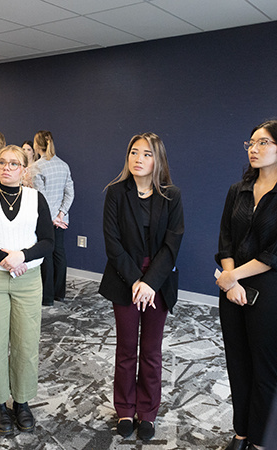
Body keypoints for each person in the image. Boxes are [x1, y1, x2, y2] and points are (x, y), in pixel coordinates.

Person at [215, 119, 277, 450]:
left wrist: (232, 276)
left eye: (263, 143)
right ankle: (241, 433)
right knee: (238, 366)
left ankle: (262, 440)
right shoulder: (237, 190)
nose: (254, 148)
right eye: (251, 143)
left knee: (264, 370)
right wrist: (229, 280)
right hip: (232, 291)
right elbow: (225, 240)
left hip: (270, 294)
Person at [99, 133, 184, 442]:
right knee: (125, 350)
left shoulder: (171, 196)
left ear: (157, 159)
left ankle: (147, 411)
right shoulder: (116, 193)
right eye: (134, 152)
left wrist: (149, 283)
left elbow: (172, 244)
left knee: (150, 351)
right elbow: (113, 243)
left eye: (146, 154)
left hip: (158, 282)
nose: (138, 158)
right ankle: (124, 407)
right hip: (125, 280)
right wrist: (136, 280)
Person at [0, 145, 53, 436]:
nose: (7, 167)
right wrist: (5, 257)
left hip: (28, 279)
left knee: (26, 342)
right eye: (2, 163)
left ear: (24, 169)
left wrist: (22, 256)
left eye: (14, 164)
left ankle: (22, 401)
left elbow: (47, 241)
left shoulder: (36, 199)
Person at [32, 130, 74, 306]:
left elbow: (41, 198)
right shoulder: (64, 165)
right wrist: (61, 214)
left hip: (45, 220)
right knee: (59, 253)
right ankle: (60, 294)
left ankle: (47, 297)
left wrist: (51, 218)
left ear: (36, 145)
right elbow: (70, 193)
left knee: (46, 256)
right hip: (61, 219)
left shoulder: (36, 167)